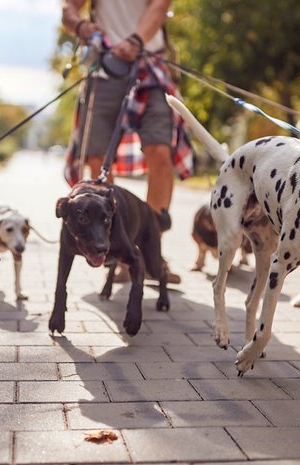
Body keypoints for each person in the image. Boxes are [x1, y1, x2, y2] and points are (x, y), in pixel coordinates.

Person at [62, 0, 193, 283]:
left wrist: (135, 40)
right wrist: (81, 25)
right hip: (104, 68)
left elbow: (159, 6)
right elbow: (68, 10)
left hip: (150, 62)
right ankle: (118, 251)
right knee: (97, 160)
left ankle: (151, 251)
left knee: (160, 150)